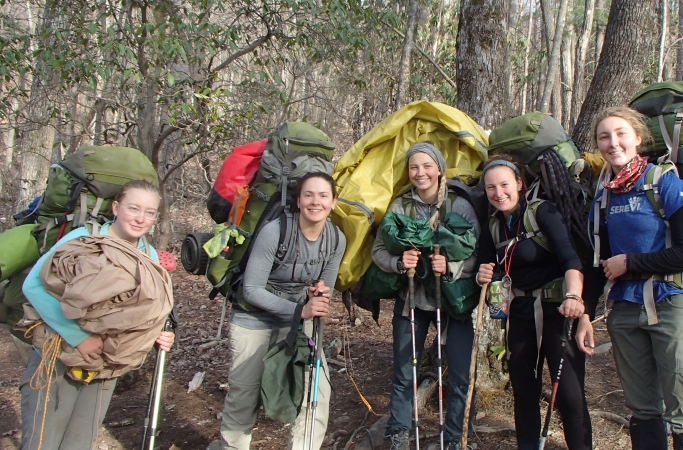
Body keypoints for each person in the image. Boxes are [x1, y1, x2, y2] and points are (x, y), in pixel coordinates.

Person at [583, 106, 683, 450]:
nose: (613, 143)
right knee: (643, 409)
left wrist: (630, 263)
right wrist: (584, 315)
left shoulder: (663, 181)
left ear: (638, 138)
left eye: (621, 133)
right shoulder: (604, 195)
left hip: (672, 304)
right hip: (625, 310)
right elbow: (599, 263)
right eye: (604, 137)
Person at [19, 179, 176, 450]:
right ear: (116, 207)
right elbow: (33, 286)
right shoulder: (84, 238)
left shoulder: (149, 255)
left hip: (106, 365)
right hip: (58, 357)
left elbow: (144, 310)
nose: (141, 218)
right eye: (134, 208)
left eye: (149, 212)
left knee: (79, 443)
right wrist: (78, 337)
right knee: (41, 442)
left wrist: (157, 334)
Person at [216, 172, 346, 450]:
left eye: (323, 196)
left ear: (333, 202)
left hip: (300, 321)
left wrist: (319, 296)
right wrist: (300, 310)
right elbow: (251, 289)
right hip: (254, 319)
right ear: (298, 200)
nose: (316, 202)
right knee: (244, 396)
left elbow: (327, 286)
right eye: (308, 195)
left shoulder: (336, 239)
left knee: (316, 394)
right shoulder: (275, 231)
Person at [475, 155, 594, 450]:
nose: (498, 193)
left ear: (519, 183)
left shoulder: (543, 212)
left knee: (568, 393)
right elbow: (485, 264)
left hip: (558, 310)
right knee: (524, 390)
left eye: (504, 184)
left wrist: (574, 297)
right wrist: (483, 272)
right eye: (491, 188)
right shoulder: (493, 224)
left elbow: (570, 258)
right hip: (519, 314)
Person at [372, 142, 480, 450]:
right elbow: (378, 250)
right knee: (406, 371)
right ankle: (398, 435)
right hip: (412, 301)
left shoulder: (459, 205)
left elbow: (477, 252)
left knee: (460, 373)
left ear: (439, 169)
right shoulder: (399, 206)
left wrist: (452, 266)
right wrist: (397, 263)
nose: (420, 173)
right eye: (414, 167)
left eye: (427, 166)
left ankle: (458, 437)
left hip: (455, 302)